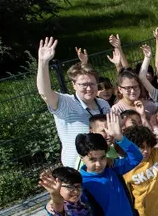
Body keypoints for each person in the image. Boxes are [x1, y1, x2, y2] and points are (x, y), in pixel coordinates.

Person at [36, 37, 112, 169]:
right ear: (74, 85)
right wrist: (43, 62)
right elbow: (44, 92)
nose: (89, 88)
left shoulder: (103, 105)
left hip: (103, 165)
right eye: (84, 84)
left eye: (92, 84)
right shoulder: (66, 102)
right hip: (76, 170)